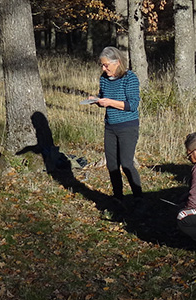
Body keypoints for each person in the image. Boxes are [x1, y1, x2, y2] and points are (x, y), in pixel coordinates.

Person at [84, 47, 144, 206]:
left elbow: (132, 105)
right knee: (112, 165)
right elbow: (104, 99)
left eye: (106, 65)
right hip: (110, 126)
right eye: (102, 65)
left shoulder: (129, 78)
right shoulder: (103, 78)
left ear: (117, 62)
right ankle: (118, 197)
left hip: (127, 126)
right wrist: (96, 100)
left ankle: (138, 197)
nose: (104, 68)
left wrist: (109, 102)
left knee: (126, 163)